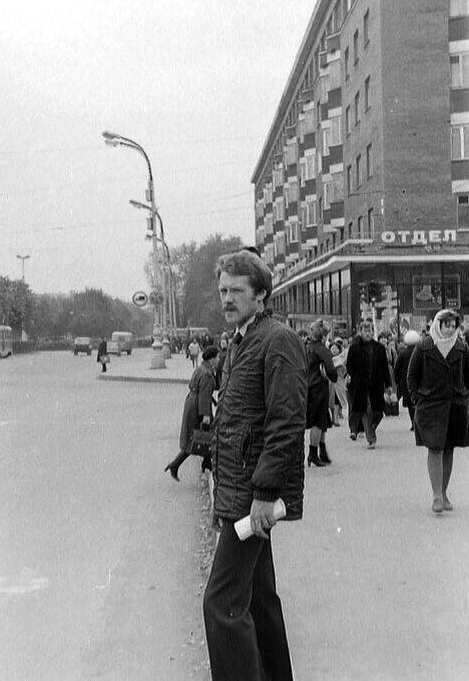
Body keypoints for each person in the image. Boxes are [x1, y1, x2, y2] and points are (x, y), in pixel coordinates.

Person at [203, 249, 307, 681]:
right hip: (239, 491)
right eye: (223, 291)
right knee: (258, 599)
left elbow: (286, 423)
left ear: (261, 294)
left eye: (236, 291)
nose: (227, 299)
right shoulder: (240, 341)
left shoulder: (277, 340)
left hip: (252, 496)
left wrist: (265, 494)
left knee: (221, 603)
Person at [407, 309, 469, 513]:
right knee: (435, 448)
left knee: (449, 449)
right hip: (431, 406)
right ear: (438, 325)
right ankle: (437, 496)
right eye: (447, 325)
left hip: (455, 406)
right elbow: (412, 375)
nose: (451, 329)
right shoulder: (423, 346)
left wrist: (467, 396)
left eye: (454, 326)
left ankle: (444, 493)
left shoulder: (461, 348)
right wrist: (417, 398)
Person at [164, 346, 219, 481]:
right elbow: (204, 395)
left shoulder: (201, 369)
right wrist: (206, 415)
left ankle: (204, 464)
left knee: (199, 436)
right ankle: (178, 464)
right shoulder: (207, 374)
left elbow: (201, 390)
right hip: (199, 407)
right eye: (217, 357)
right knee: (201, 437)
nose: (218, 360)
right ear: (212, 359)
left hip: (192, 403)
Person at [346, 319, 392, 449]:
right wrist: (356, 378)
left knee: (378, 412)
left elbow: (385, 367)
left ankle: (370, 428)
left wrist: (388, 385)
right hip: (361, 385)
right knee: (366, 411)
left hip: (376, 384)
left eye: (370, 331)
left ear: (373, 332)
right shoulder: (354, 348)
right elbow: (349, 366)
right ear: (360, 332)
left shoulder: (379, 348)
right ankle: (371, 438)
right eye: (365, 331)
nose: (367, 333)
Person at [305, 320, 337, 466]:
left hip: (307, 385)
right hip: (319, 387)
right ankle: (313, 454)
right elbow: (331, 369)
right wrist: (333, 377)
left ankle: (322, 452)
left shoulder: (306, 347)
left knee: (322, 419)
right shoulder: (322, 350)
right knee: (318, 422)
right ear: (324, 336)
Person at [394, 329, 421, 430]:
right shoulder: (421, 352)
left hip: (406, 382)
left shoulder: (402, 353)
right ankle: (417, 422)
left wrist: (397, 381)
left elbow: (398, 368)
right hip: (419, 381)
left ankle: (413, 422)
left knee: (410, 404)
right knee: (418, 403)